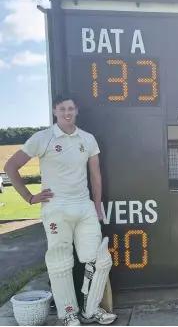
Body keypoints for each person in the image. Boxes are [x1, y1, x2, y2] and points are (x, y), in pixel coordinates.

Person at [4, 94, 117, 326]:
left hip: (84, 206)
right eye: (62, 109)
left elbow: (95, 176)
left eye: (71, 108)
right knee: (60, 261)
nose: (67, 113)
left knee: (97, 259)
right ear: (55, 111)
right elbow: (10, 166)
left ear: (76, 111)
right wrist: (29, 197)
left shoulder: (87, 139)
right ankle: (68, 314)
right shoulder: (43, 138)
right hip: (56, 208)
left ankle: (92, 309)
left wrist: (97, 206)